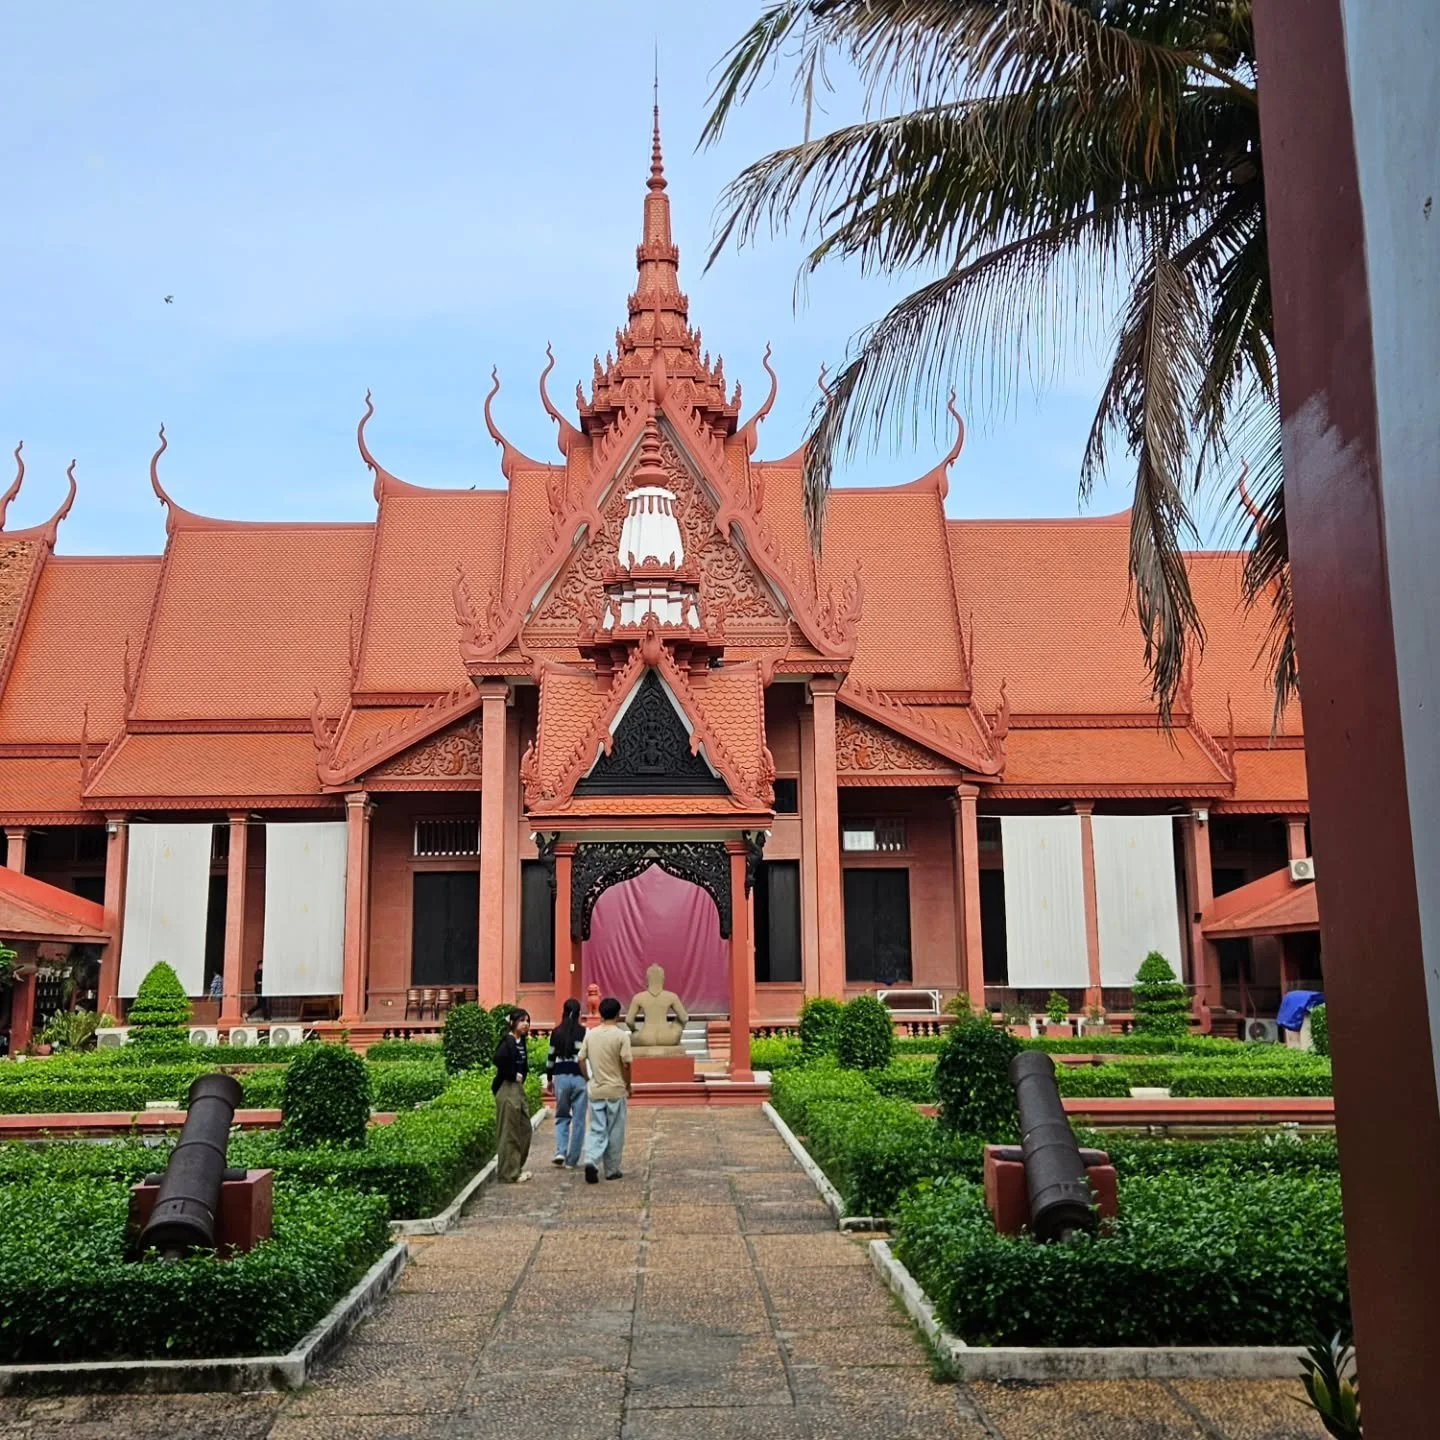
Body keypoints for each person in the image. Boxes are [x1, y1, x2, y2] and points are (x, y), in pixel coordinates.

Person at [577, 996, 632, 1184]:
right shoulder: (621, 1036)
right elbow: (626, 1064)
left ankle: (591, 1159)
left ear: (600, 1012)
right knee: (615, 1131)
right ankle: (612, 1169)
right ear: (618, 1014)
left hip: (596, 1089)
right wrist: (628, 1084)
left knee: (596, 1129)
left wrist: (588, 1078)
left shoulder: (590, 1034)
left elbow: (581, 1059)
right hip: (616, 1089)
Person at [545, 997, 588, 1169]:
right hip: (579, 1077)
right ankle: (572, 1160)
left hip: (561, 1076)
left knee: (562, 1116)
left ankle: (560, 1152)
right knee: (579, 1120)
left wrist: (549, 1078)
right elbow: (585, 1058)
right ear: (578, 1013)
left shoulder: (557, 1032)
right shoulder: (583, 1032)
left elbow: (550, 1058)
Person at [493, 1007, 533, 1184]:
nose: (525, 1024)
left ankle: (516, 1166)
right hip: (507, 1088)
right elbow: (499, 1059)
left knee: (524, 1129)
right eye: (522, 1021)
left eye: (527, 1021)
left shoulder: (520, 1041)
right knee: (509, 1133)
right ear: (513, 1023)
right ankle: (508, 1173)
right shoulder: (507, 1041)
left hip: (518, 1089)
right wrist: (512, 1074)